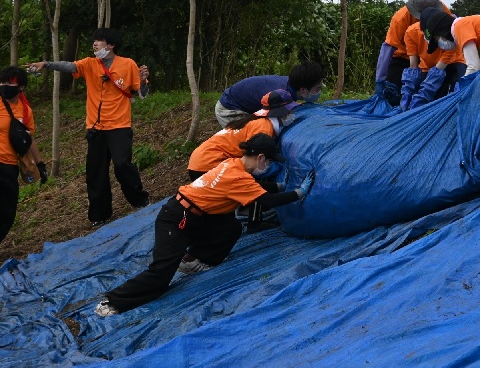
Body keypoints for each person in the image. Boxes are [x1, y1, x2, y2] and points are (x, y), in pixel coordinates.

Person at [94, 133, 316, 316]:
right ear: (260, 157)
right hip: (177, 218)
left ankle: (194, 259)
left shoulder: (233, 164)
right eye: (268, 161)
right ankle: (113, 301)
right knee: (161, 273)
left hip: (196, 214)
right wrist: (298, 193)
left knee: (231, 227)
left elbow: (255, 188)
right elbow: (264, 200)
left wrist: (279, 186)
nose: (268, 165)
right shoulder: (237, 176)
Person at [27, 28, 150, 227]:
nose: (95, 44)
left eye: (99, 41)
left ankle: (140, 200)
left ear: (110, 45)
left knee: (122, 165)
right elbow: (68, 66)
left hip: (120, 126)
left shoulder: (128, 64)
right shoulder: (90, 64)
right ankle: (99, 215)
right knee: (96, 172)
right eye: (94, 41)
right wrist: (46, 64)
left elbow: (142, 94)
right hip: (95, 128)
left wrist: (144, 81)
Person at [188, 89, 298, 181]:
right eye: (290, 111)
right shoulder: (263, 127)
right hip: (209, 163)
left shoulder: (256, 121)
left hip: (199, 160)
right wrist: (279, 168)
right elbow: (256, 161)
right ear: (280, 112)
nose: (292, 114)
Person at [374, 0, 452, 106]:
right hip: (402, 56)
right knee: (394, 94)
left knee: (435, 94)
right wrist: (380, 79)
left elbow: (451, 40)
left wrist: (436, 72)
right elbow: (388, 47)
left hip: (431, 56)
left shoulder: (444, 13)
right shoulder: (401, 18)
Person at [0, 67, 48, 243]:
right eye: (2, 82)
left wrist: (40, 164)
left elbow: (30, 139)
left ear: (21, 87)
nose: (4, 86)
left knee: (7, 211)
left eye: (9, 83)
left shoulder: (25, 111)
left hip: (10, 166)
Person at [215, 61, 323, 128]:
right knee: (252, 141)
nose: (319, 92)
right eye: (317, 89)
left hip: (240, 102)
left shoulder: (291, 84)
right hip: (228, 108)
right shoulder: (279, 96)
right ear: (304, 90)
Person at [399, 19, 466, 111]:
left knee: (446, 95)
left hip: (452, 64)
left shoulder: (450, 34)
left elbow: (440, 67)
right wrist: (408, 92)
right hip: (427, 67)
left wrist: (424, 94)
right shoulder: (411, 32)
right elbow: (413, 65)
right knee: (417, 93)